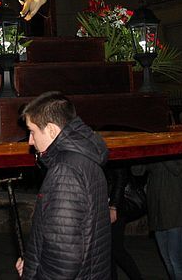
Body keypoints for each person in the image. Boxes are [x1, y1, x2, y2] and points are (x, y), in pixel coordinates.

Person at [14, 91, 111, 279]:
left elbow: (63, 257)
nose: (30, 141)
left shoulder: (65, 171)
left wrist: (37, 275)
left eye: (32, 132)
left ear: (51, 130)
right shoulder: (84, 158)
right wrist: (33, 265)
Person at [145, 158, 182, 280]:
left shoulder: (174, 148)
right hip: (158, 212)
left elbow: (177, 168)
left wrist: (158, 149)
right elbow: (137, 170)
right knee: (168, 261)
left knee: (177, 261)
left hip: (177, 209)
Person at [106, 164, 144, 280]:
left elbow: (120, 178)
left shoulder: (115, 156)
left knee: (117, 249)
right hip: (108, 204)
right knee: (110, 249)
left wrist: (113, 206)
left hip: (115, 207)